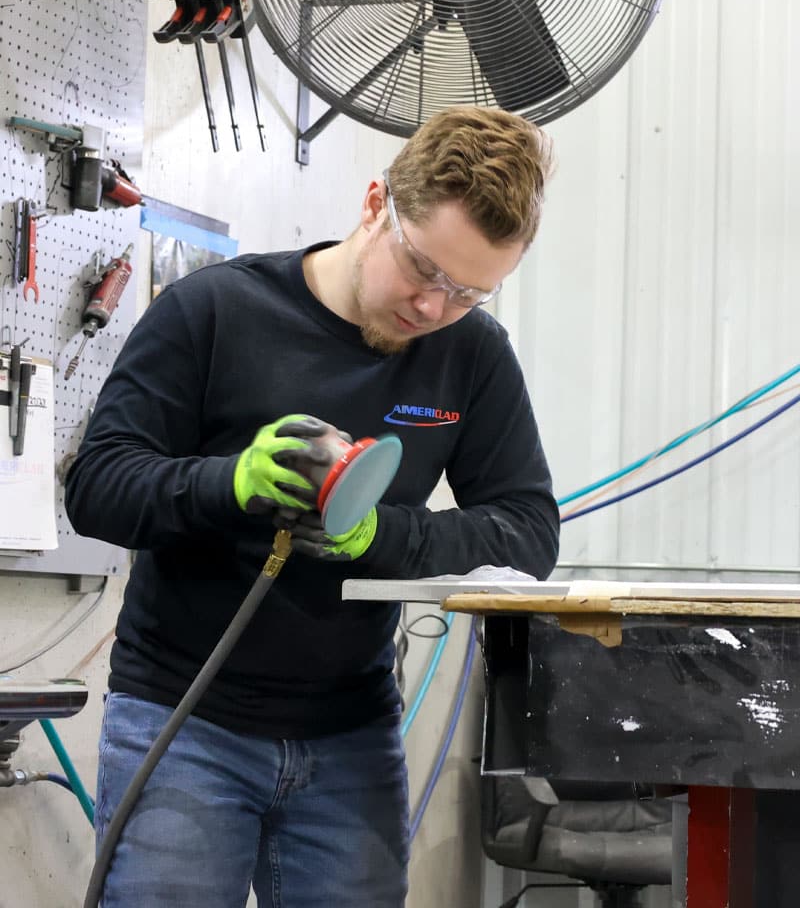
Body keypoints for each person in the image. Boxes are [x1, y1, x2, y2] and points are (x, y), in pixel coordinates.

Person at [65, 104, 560, 907]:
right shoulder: (213, 311)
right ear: (375, 205)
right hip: (185, 722)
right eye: (425, 270)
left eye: (471, 291)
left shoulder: (470, 355)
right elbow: (97, 486)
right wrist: (230, 485)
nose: (435, 308)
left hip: (352, 736)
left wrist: (379, 535)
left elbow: (528, 532)